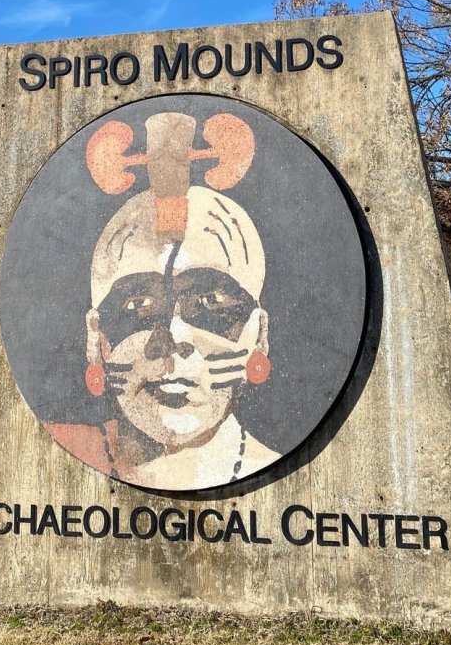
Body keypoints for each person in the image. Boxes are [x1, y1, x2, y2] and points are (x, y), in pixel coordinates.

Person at [45, 111, 279, 490]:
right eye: (138, 304)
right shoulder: (57, 451)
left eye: (211, 300)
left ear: (259, 335)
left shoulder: (274, 466)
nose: (170, 337)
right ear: (96, 338)